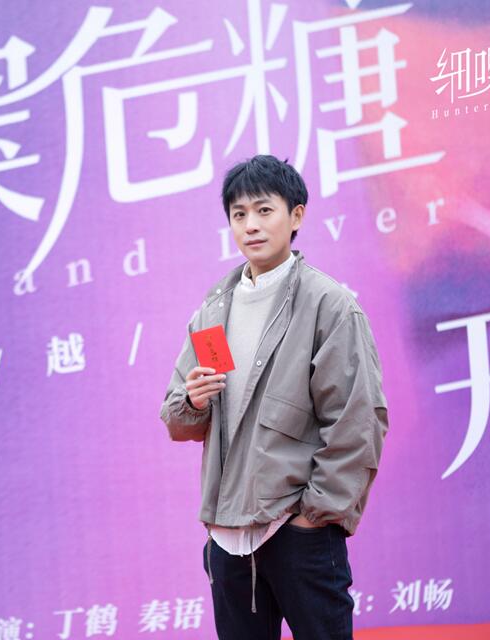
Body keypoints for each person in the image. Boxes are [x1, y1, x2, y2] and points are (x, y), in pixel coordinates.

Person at [159, 155, 389, 640]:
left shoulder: (328, 305)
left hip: (298, 531)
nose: (251, 225)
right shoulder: (213, 313)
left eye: (264, 210)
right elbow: (179, 421)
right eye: (239, 214)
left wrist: (314, 517)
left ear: (296, 216)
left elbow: (357, 419)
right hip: (227, 539)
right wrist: (194, 402)